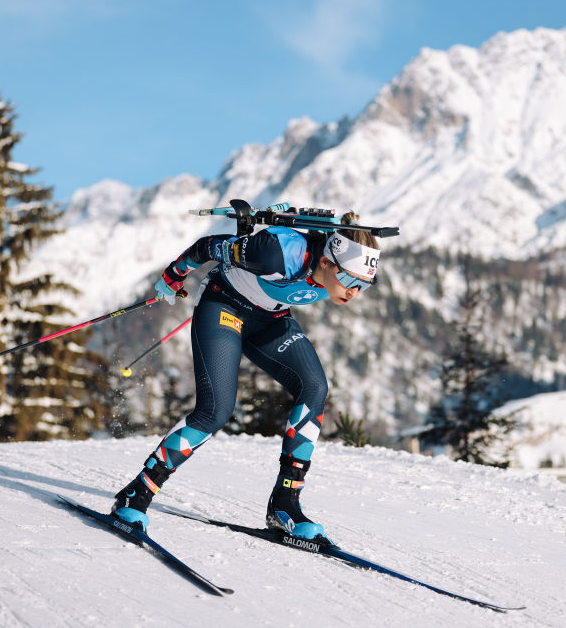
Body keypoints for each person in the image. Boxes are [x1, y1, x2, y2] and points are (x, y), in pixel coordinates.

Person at [112, 212, 381, 538]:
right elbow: (206, 248)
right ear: (326, 262)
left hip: (270, 320)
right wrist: (174, 275)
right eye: (352, 281)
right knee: (215, 410)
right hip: (223, 306)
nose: (355, 292)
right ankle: (137, 493)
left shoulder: (331, 271)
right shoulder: (278, 253)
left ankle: (285, 504)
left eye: (364, 285)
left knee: (314, 388)